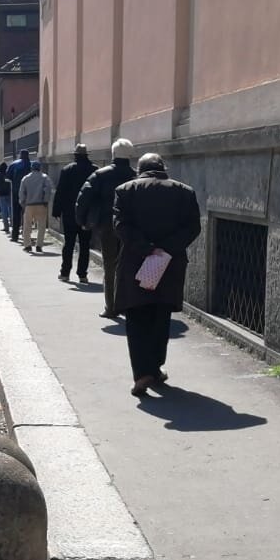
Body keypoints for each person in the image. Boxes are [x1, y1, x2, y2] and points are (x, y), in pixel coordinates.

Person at [113, 153, 201, 397]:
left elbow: (120, 225)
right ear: (163, 168)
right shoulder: (185, 191)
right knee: (161, 318)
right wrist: (165, 249)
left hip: (135, 263)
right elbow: (193, 226)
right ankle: (155, 367)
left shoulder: (125, 190)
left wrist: (147, 248)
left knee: (136, 318)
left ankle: (142, 373)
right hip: (169, 264)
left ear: (139, 170)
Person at [75, 138, 138, 319]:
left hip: (107, 225)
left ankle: (111, 307)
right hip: (131, 227)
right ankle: (128, 305)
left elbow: (83, 198)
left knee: (110, 266)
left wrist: (81, 220)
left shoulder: (100, 175)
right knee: (128, 265)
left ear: (113, 154)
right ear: (130, 155)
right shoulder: (136, 176)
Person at [53, 144, 97, 284]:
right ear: (87, 155)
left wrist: (56, 210)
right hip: (87, 214)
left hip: (69, 213)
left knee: (69, 243)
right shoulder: (94, 170)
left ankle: (65, 272)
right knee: (85, 245)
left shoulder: (67, 170)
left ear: (75, 155)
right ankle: (82, 274)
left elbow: (60, 191)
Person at [18, 161, 54, 253]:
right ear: (40, 168)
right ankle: (39, 245)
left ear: (31, 168)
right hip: (41, 204)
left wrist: (22, 203)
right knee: (41, 226)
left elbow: (21, 192)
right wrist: (46, 201)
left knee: (27, 226)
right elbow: (48, 190)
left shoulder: (25, 178)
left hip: (29, 205)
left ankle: (27, 245)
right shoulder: (45, 177)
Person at [6, 150, 33, 241]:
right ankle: (27, 235)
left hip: (16, 192)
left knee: (16, 214)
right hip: (29, 193)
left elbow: (8, 177)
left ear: (20, 155)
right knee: (27, 214)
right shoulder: (31, 164)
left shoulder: (14, 164)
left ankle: (15, 235)